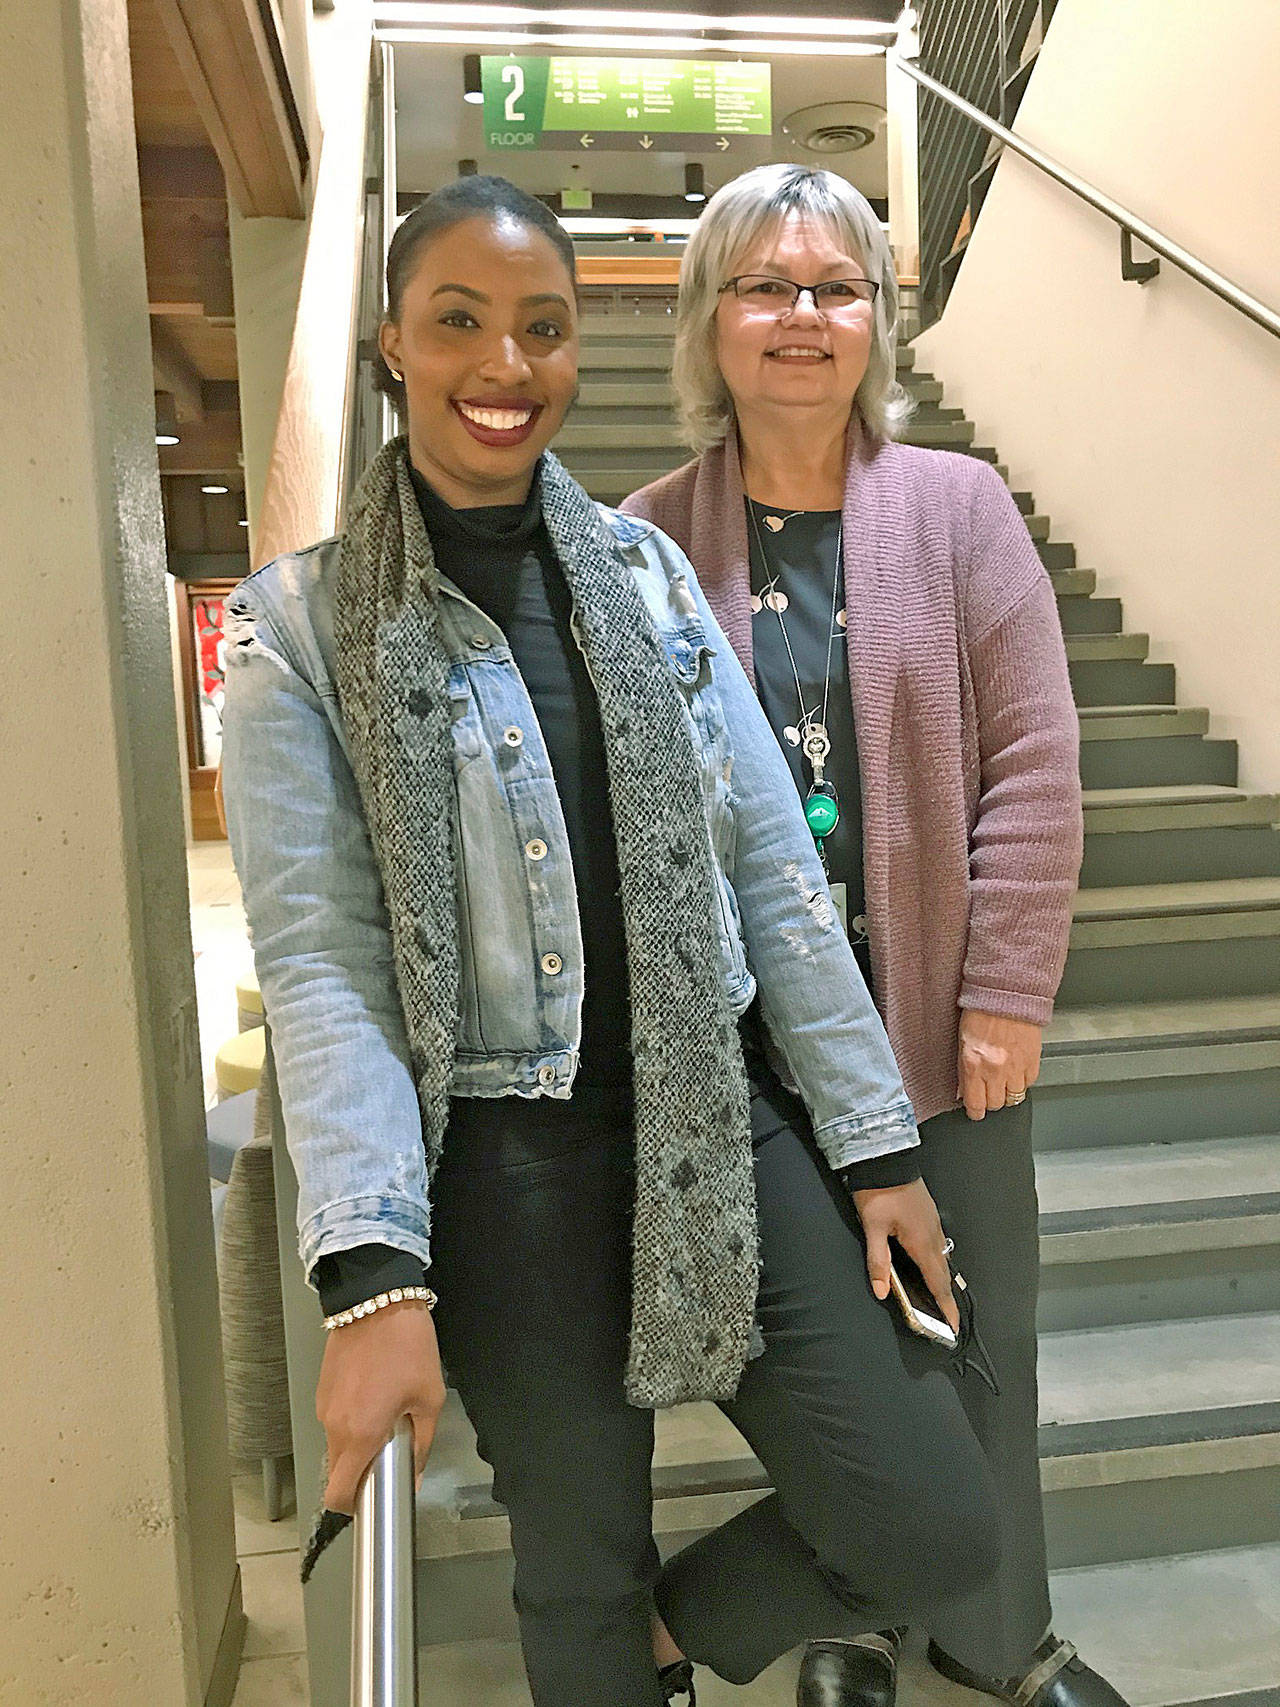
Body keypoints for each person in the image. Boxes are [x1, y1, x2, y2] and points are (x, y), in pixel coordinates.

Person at [221, 174, 1003, 1707]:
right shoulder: (299, 632)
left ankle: (672, 1641)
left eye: (543, 328)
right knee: (574, 1571)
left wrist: (873, 1148)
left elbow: (776, 879)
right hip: (505, 1173)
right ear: (391, 341)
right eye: (459, 322)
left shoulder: (642, 575)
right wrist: (375, 1276)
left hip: (715, 1123)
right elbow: (325, 965)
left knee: (929, 1516)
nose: (503, 364)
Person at [623, 163, 1126, 1707]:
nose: (801, 318)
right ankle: (841, 1631)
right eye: (766, 287)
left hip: (940, 1042)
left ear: (878, 323)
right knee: (865, 1396)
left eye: (835, 288)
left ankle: (997, 1646)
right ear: (711, 322)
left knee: (984, 1364)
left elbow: (1036, 763)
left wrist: (1007, 988)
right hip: (761, 1069)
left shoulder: (959, 509)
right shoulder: (644, 544)